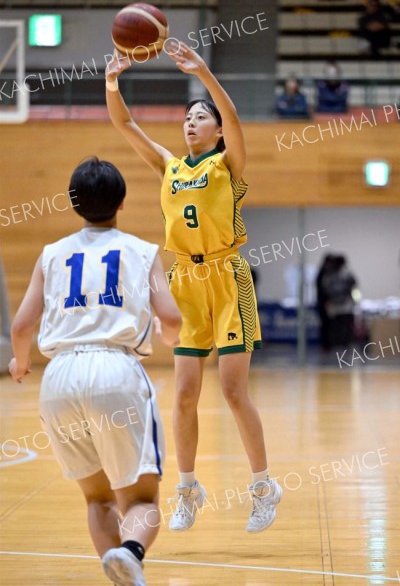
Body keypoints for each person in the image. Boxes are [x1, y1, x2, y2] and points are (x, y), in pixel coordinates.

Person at [105, 41, 282, 533]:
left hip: (228, 279)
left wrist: (203, 71)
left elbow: (233, 116)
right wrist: (112, 81)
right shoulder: (169, 165)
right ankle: (187, 489)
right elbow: (124, 125)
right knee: (183, 394)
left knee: (232, 389)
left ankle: (264, 487)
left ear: (218, 130)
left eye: (201, 117)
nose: (191, 121)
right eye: (187, 117)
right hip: (184, 279)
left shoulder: (228, 164)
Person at [9, 157, 182, 586]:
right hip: (115, 369)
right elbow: (172, 317)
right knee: (141, 498)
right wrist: (168, 335)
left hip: (59, 378)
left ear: (73, 203)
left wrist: (21, 362)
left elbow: (21, 326)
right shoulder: (142, 252)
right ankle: (132, 551)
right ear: (122, 203)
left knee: (97, 497)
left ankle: (121, 571)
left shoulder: (51, 254)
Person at [320, 254, 357, 348]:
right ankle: (341, 344)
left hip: (339, 305)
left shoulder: (330, 275)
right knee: (340, 326)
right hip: (341, 306)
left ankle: (340, 344)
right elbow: (353, 286)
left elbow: (325, 288)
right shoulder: (345, 274)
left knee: (339, 326)